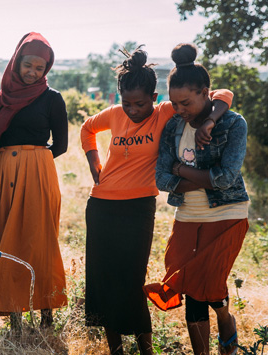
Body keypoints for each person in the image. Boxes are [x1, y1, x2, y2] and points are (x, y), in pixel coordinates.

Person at [80, 46, 233, 355]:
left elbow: (224, 94)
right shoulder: (114, 114)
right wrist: (93, 163)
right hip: (101, 206)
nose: (133, 110)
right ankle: (116, 350)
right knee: (104, 278)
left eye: (139, 104)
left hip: (138, 208)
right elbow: (87, 129)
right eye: (127, 104)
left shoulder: (165, 112)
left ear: (154, 97)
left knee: (132, 279)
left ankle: (146, 349)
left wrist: (210, 121)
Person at [143, 43, 249, 355]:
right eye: (174, 103)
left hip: (227, 215)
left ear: (206, 93)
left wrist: (181, 170)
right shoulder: (173, 126)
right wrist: (191, 176)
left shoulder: (232, 123)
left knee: (211, 287)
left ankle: (225, 318)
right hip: (187, 218)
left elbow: (226, 178)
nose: (179, 110)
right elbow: (162, 179)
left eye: (186, 102)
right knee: (190, 287)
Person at [0, 32, 68, 331]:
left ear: (47, 70)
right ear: (16, 63)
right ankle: (13, 312)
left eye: (39, 68)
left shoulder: (53, 98)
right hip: (7, 170)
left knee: (40, 238)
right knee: (9, 238)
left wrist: (33, 162)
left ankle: (46, 313)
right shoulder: (5, 96)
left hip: (37, 171)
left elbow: (61, 144)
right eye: (27, 65)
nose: (32, 72)